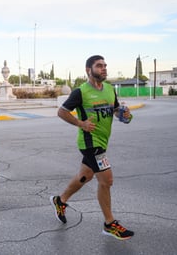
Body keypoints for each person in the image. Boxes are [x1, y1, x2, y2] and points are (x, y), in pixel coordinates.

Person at [50, 55, 134, 240]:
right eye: (99, 66)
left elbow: (115, 110)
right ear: (89, 70)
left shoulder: (111, 89)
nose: (104, 68)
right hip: (90, 143)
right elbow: (61, 112)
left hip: (103, 140)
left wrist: (124, 114)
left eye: (105, 65)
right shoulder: (81, 92)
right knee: (106, 180)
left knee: (86, 175)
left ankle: (60, 200)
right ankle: (109, 224)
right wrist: (81, 124)